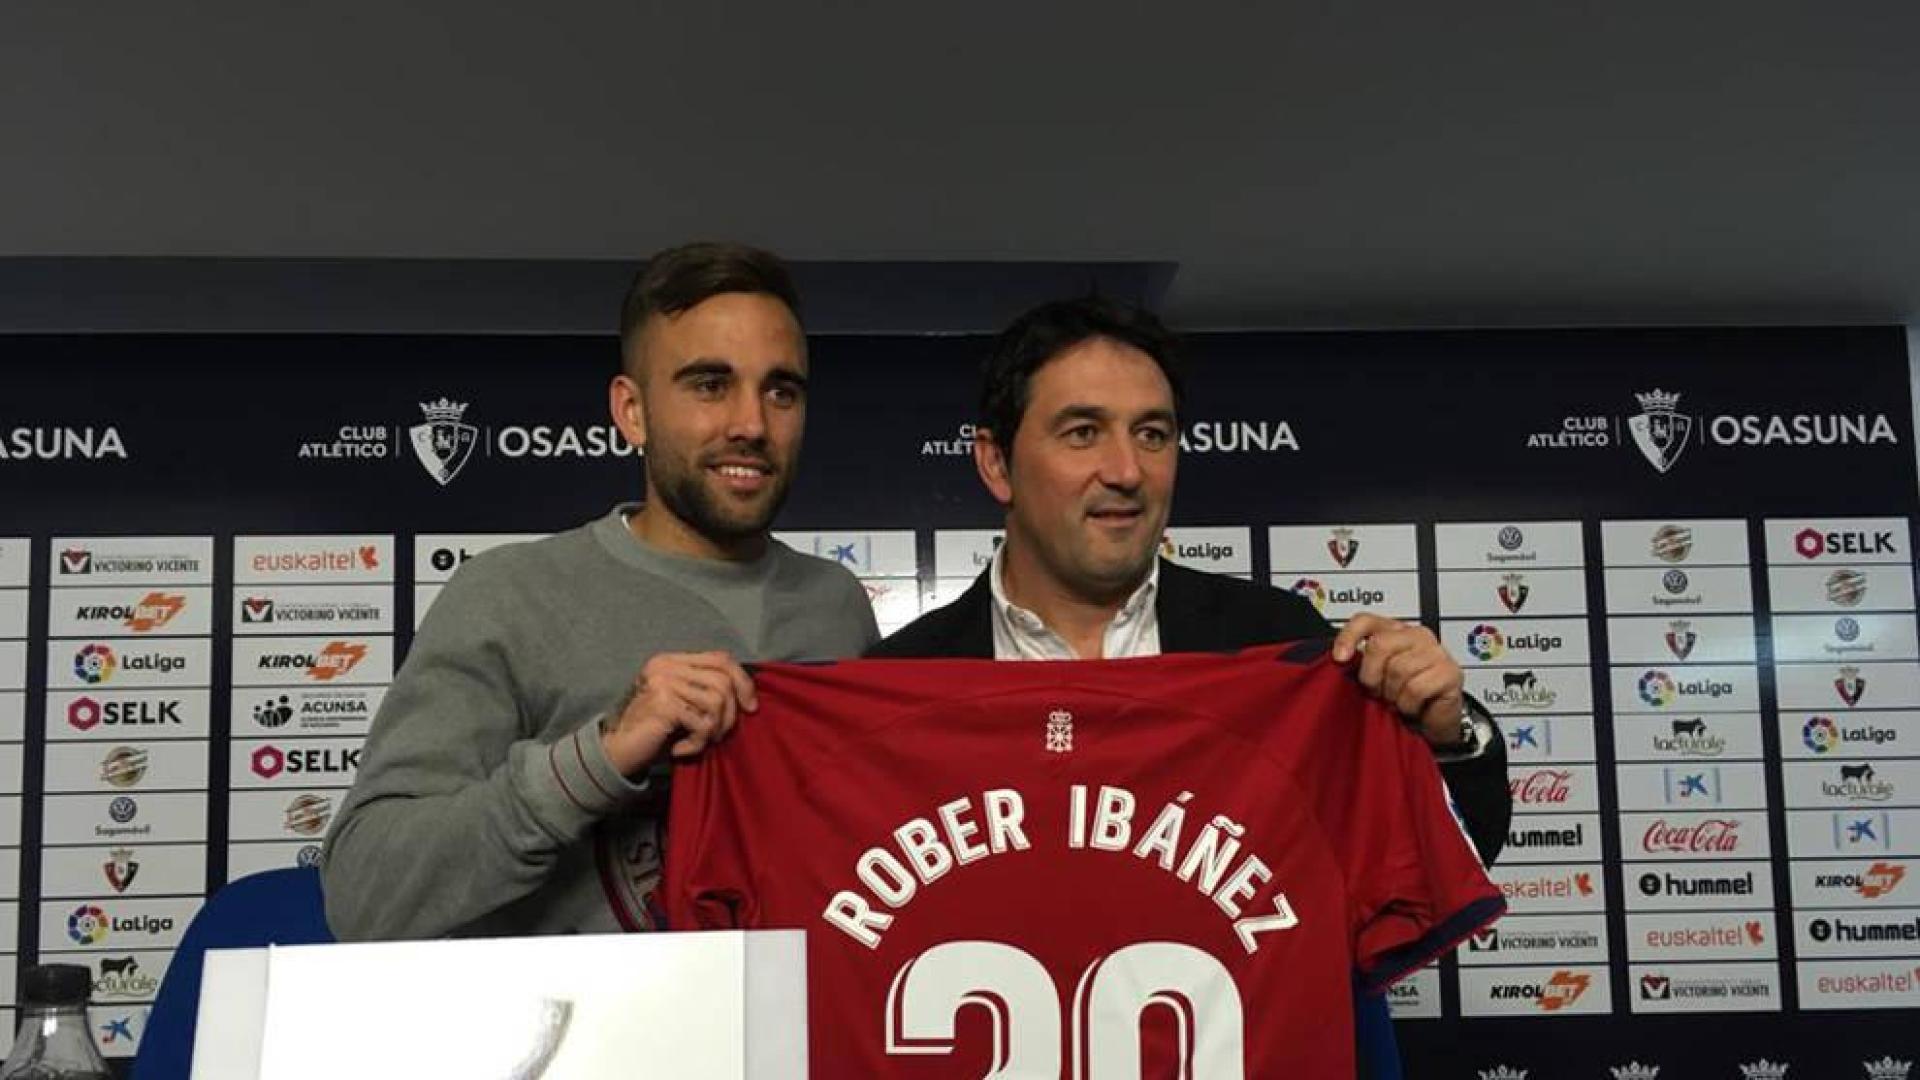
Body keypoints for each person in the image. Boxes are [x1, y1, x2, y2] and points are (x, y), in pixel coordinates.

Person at [322, 242, 877, 940]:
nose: (751, 424)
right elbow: (364, 896)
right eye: (709, 384)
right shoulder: (508, 597)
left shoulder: (836, 606)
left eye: (781, 390)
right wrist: (600, 758)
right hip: (591, 1044)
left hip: (799, 1035)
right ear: (632, 411)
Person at [869, 295, 1510, 863]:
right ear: (996, 463)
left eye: (1152, 434)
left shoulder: (1280, 645)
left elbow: (1436, 864)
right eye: (1083, 432)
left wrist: (1443, 738)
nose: (1126, 469)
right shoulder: (897, 683)